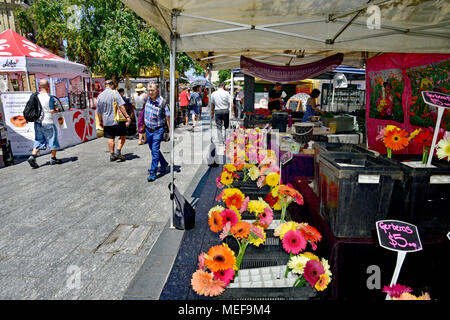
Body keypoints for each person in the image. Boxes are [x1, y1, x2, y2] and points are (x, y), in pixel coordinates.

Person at [27, 79, 62, 168]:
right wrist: (56, 109)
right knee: (52, 139)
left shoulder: (35, 96)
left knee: (39, 140)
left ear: (39, 86)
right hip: (48, 122)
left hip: (38, 122)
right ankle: (53, 158)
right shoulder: (49, 97)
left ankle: (32, 156)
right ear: (48, 87)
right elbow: (51, 110)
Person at [96, 79, 132, 162]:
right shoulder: (115, 93)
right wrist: (127, 117)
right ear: (112, 85)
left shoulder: (100, 95)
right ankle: (118, 152)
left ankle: (112, 154)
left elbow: (98, 111)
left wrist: (100, 121)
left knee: (110, 137)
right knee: (122, 135)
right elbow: (121, 106)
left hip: (107, 120)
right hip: (117, 120)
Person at [144, 82, 170, 182]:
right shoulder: (147, 99)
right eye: (149, 90)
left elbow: (168, 117)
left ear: (157, 90)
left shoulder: (162, 102)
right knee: (153, 149)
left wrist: (170, 131)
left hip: (158, 130)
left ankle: (152, 172)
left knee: (154, 150)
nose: (150, 92)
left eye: (152, 90)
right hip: (148, 129)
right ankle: (163, 164)